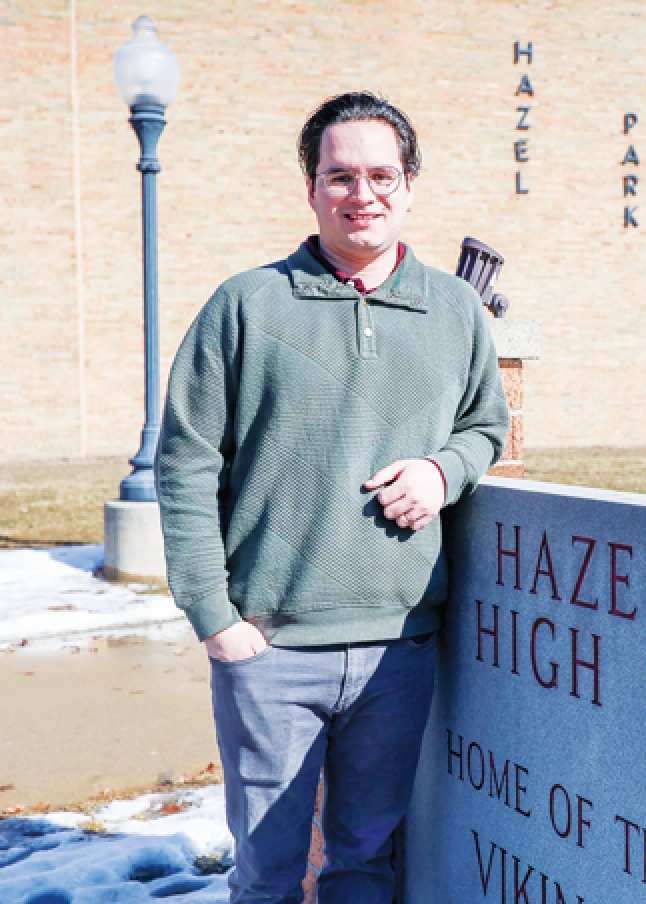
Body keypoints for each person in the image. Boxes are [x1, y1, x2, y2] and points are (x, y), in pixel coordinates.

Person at [156, 91, 509, 903]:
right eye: (340, 174)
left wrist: (442, 471)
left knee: (365, 865)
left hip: (401, 651)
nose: (363, 193)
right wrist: (214, 616)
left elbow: (485, 426)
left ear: (410, 185)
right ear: (312, 187)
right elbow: (184, 463)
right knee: (270, 874)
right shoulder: (245, 305)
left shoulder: (454, 309)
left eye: (382, 174)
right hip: (271, 650)